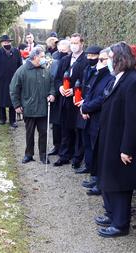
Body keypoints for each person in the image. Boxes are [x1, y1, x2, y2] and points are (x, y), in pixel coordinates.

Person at [95, 41, 136, 238]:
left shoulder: (134, 82)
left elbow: (134, 119)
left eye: (110, 57)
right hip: (111, 138)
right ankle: (112, 214)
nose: (108, 61)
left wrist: (126, 148)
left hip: (121, 143)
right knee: (109, 179)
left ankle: (121, 224)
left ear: (120, 58)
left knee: (121, 184)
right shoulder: (119, 78)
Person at [78, 47, 114, 197]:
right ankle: (95, 177)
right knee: (90, 146)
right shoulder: (98, 73)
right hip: (91, 115)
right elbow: (91, 91)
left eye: (101, 59)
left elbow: (102, 98)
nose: (98, 62)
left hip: (100, 117)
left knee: (98, 150)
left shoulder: (110, 77)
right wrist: (85, 107)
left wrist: (86, 108)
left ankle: (99, 182)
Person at [10, 46, 56, 164]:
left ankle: (43, 155)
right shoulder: (22, 70)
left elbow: (52, 83)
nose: (44, 58)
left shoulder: (45, 69)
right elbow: (14, 89)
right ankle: (28, 154)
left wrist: (52, 93)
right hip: (29, 108)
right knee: (29, 133)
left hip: (43, 108)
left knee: (44, 133)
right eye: (42, 56)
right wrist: (16, 105)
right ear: (35, 57)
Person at [53, 33, 88, 168]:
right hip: (65, 100)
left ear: (81, 44)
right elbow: (56, 79)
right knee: (65, 128)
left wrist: (75, 90)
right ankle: (64, 155)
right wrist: (60, 87)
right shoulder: (65, 60)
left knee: (78, 130)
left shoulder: (86, 61)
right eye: (72, 43)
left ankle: (77, 157)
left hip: (78, 100)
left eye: (76, 43)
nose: (74, 45)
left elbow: (87, 81)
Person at [0, 34, 22, 128]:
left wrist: (21, 78)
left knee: (13, 99)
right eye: (4, 42)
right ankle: (2, 118)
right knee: (2, 99)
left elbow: (20, 66)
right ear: (1, 43)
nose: (6, 43)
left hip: (14, 80)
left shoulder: (16, 52)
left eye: (8, 42)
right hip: (1, 80)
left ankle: (13, 120)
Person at [48, 39, 71, 156]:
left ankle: (64, 148)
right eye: (60, 49)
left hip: (66, 96)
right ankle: (56, 145)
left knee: (64, 124)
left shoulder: (70, 60)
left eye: (64, 49)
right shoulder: (54, 60)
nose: (61, 51)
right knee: (56, 124)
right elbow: (53, 77)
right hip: (56, 95)